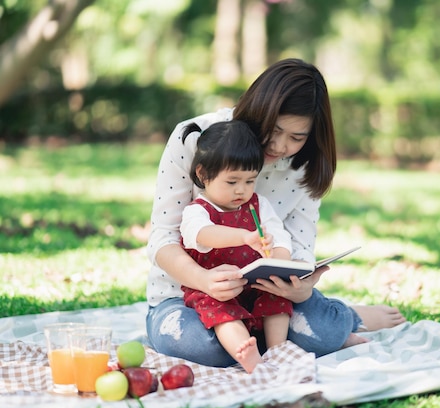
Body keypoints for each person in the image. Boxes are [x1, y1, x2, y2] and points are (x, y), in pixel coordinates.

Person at [146, 58, 406, 368]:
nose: (280, 145)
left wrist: (301, 284)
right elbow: (163, 237)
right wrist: (203, 280)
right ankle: (331, 324)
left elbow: (299, 249)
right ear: (258, 110)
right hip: (187, 296)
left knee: (320, 333)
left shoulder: (303, 167)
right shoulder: (195, 139)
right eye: (275, 129)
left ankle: (346, 317)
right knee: (207, 348)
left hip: (266, 298)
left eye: (297, 138)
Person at [180, 120, 295, 373]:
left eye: (249, 181)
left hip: (255, 283)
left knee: (276, 297)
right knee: (221, 312)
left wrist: (277, 258)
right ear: (203, 175)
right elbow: (203, 234)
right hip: (217, 288)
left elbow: (280, 235)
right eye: (232, 182)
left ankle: (278, 352)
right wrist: (244, 236)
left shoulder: (259, 205)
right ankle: (248, 357)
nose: (241, 191)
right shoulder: (197, 211)